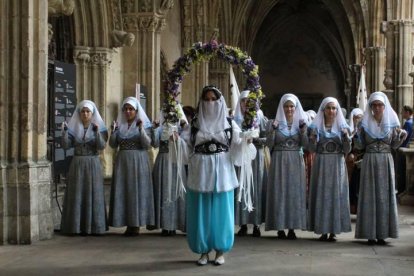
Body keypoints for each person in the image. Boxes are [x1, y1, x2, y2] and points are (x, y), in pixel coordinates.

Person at [184, 85, 242, 266]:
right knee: (200, 212)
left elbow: (237, 146)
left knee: (221, 211)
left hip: (222, 171)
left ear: (220, 101)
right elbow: (185, 147)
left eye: (213, 99)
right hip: (200, 170)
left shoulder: (229, 124)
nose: (210, 103)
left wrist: (246, 138)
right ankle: (203, 251)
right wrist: (174, 140)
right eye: (206, 99)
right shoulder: (194, 124)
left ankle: (220, 250)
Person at [355, 92, 407, 245]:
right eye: (375, 105)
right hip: (370, 160)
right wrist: (356, 135)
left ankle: (383, 233)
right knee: (369, 195)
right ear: (371, 107)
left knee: (384, 196)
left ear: (384, 106)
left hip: (385, 160)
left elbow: (394, 146)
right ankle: (370, 233)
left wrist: (401, 138)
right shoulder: (364, 123)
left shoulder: (392, 123)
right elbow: (360, 146)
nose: (377, 108)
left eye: (380, 105)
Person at [60, 100, 108, 235]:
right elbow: (65, 145)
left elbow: (101, 146)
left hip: (93, 163)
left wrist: (97, 132)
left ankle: (95, 226)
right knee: (77, 193)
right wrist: (64, 133)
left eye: (88, 112)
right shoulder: (73, 128)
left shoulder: (98, 127)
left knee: (93, 193)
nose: (85, 114)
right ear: (79, 113)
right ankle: (76, 226)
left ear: (92, 114)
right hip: (78, 163)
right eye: (83, 111)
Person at [108, 97, 155, 236]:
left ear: (136, 111)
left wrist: (141, 130)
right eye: (126, 109)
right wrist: (114, 131)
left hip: (138, 161)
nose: (128, 112)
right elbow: (112, 144)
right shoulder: (120, 125)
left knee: (137, 190)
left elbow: (147, 144)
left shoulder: (144, 125)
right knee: (124, 191)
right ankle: (127, 222)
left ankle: (136, 223)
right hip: (122, 162)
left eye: (131, 109)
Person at [308, 97, 352, 242]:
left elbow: (347, 149)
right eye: (328, 108)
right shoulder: (316, 127)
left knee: (335, 195)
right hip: (321, 163)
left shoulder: (343, 126)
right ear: (323, 110)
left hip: (336, 164)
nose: (331, 111)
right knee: (322, 194)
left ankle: (334, 229)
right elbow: (311, 149)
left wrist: (346, 138)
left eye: (334, 108)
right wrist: (313, 139)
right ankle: (322, 229)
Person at [265, 93, 309, 239]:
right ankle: (279, 227)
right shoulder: (273, 122)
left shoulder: (301, 123)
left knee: (294, 192)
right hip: (279, 160)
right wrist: (272, 130)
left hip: (296, 160)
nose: (289, 109)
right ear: (281, 107)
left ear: (296, 108)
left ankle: (292, 227)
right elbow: (269, 145)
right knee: (280, 191)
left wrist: (303, 131)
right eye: (286, 106)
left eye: (292, 106)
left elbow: (306, 145)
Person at [234, 90, 268, 237]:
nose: (246, 104)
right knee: (242, 187)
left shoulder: (260, 118)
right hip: (240, 157)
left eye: (249, 101)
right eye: (243, 101)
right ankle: (242, 223)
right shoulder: (235, 119)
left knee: (256, 187)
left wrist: (254, 140)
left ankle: (256, 224)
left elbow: (267, 138)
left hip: (256, 157)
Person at [151, 106, 188, 236]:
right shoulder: (161, 128)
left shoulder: (182, 128)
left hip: (176, 161)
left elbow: (188, 144)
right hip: (162, 160)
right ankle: (164, 225)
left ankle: (175, 224)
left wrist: (178, 139)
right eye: (166, 113)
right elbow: (154, 144)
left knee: (175, 192)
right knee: (163, 191)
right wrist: (155, 129)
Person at [346, 108, 364, 214]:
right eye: (356, 117)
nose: (359, 119)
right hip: (353, 163)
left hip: (364, 160)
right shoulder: (350, 131)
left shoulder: (366, 130)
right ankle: (354, 209)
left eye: (360, 117)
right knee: (354, 185)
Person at [396, 105, 413, 194]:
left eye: (402, 112)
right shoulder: (411, 122)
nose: (401, 113)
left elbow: (404, 137)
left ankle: (401, 190)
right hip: (406, 148)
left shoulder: (408, 123)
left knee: (402, 172)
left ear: (407, 112)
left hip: (404, 149)